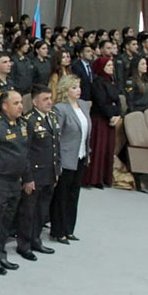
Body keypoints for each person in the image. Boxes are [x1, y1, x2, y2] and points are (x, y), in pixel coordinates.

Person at [0, 90, 32, 274]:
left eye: (21, 103)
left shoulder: (22, 124)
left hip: (15, 181)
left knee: (7, 221)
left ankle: (1, 254)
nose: (20, 106)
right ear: (4, 106)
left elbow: (25, 154)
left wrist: (28, 178)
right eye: (16, 103)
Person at [18, 87, 60, 258]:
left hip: (49, 172)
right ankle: (24, 245)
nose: (49, 102)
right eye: (45, 99)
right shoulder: (28, 120)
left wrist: (57, 171)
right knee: (29, 212)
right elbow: (25, 152)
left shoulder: (52, 117)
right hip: (34, 174)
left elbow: (56, 147)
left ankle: (36, 240)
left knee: (42, 210)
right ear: (35, 102)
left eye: (50, 98)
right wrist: (27, 178)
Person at [50, 75, 90, 242]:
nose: (78, 90)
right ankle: (58, 230)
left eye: (79, 87)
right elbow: (56, 136)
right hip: (66, 157)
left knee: (74, 194)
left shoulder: (83, 105)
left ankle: (69, 229)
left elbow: (86, 132)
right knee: (62, 195)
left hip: (80, 155)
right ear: (65, 90)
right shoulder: (60, 108)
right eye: (74, 87)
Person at [83, 57, 121, 188]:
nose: (111, 67)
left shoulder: (112, 81)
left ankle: (105, 177)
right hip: (100, 118)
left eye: (112, 65)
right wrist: (111, 116)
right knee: (98, 149)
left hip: (111, 119)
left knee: (108, 149)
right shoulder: (97, 82)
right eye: (108, 65)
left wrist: (118, 115)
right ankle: (95, 178)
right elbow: (101, 102)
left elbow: (117, 99)